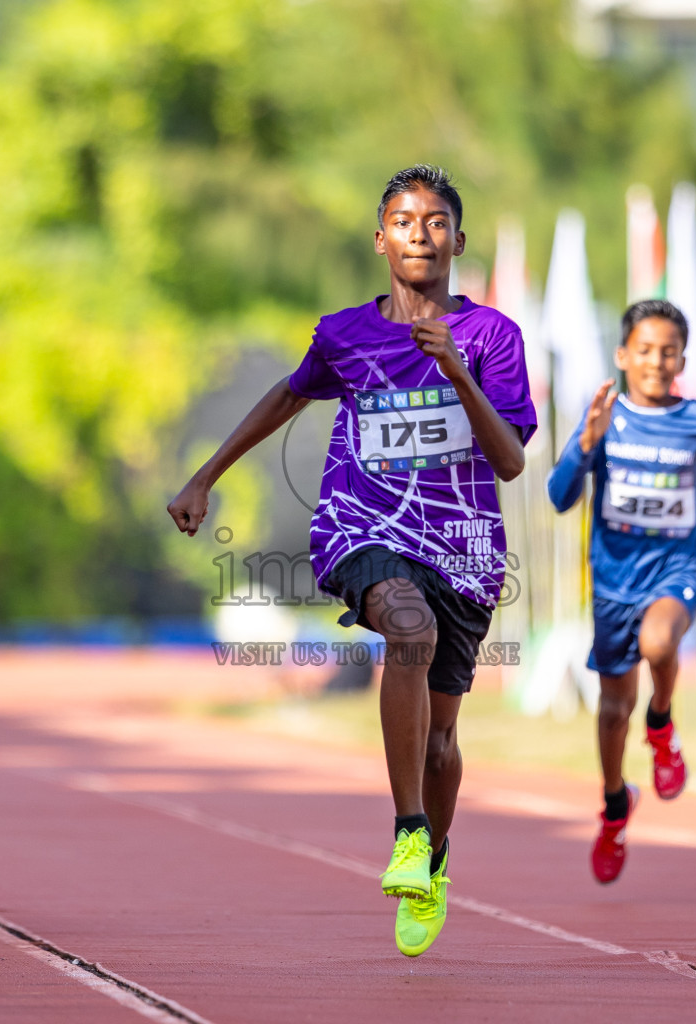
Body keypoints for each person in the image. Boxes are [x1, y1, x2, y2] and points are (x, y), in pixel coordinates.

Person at [168, 166, 535, 956]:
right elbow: (288, 394)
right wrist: (205, 475)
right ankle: (407, 830)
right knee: (405, 629)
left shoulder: (493, 338)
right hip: (361, 524)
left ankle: (431, 862)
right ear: (381, 240)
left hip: (464, 547)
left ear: (457, 241)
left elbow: (509, 462)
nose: (420, 234)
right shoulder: (344, 334)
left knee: (443, 739)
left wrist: (455, 370)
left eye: (436, 222)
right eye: (404, 221)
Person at [546, 299, 696, 885]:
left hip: (680, 571)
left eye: (668, 352)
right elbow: (560, 495)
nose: (656, 361)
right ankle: (615, 805)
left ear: (683, 360)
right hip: (615, 585)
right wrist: (586, 443)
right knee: (614, 708)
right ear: (622, 356)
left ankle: (662, 724)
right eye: (644, 350)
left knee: (660, 641)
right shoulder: (604, 419)